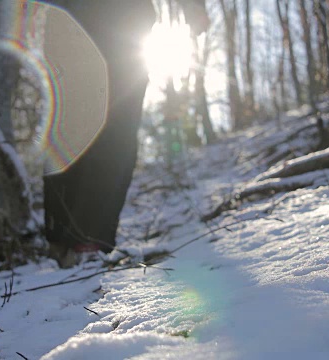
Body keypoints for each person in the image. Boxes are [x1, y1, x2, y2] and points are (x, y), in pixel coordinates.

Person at [43, 0, 209, 267]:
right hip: (68, 21)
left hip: (124, 21)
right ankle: (64, 240)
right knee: (72, 126)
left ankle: (88, 240)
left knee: (115, 126)